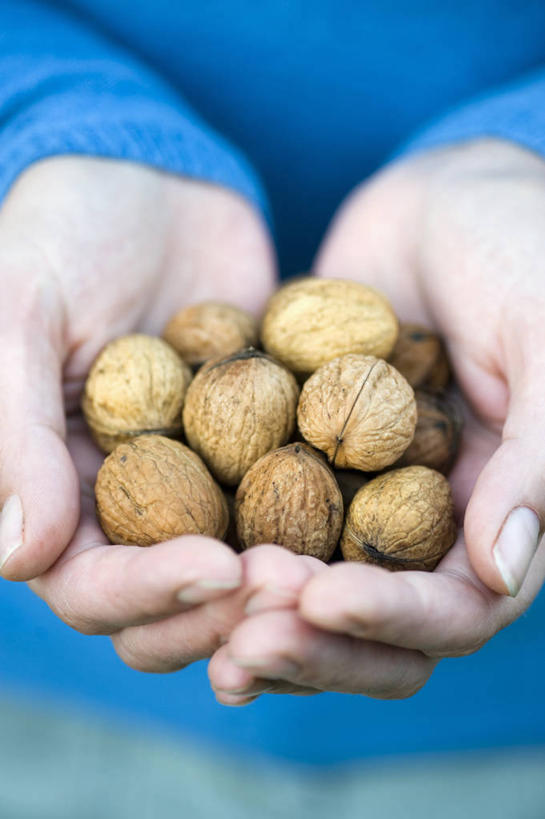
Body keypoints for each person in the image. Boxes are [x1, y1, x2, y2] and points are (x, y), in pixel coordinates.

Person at [0, 0, 544, 761]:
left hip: (509, 718)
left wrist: (523, 150)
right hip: (49, 693)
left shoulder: (343, 407)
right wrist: (51, 120)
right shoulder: (230, 397)